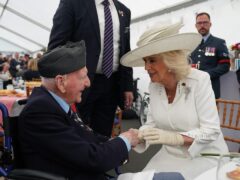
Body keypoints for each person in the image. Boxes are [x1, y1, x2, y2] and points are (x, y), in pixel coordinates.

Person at [18, 41, 184, 180]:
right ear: (61, 82)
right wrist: (125, 140)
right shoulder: (40, 111)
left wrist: (122, 140)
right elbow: (92, 159)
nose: (88, 83)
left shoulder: (53, 103)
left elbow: (87, 138)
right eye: (83, 76)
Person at [120, 22, 229, 180]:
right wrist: (139, 134)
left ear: (170, 59)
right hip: (169, 156)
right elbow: (151, 124)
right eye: (145, 61)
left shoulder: (199, 80)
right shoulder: (154, 86)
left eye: (152, 60)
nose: (146, 67)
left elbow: (211, 131)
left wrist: (176, 138)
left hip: (204, 157)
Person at [48, 0, 134, 137]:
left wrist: (128, 85)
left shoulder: (123, 10)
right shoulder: (72, 3)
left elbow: (125, 50)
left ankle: (98, 157)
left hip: (111, 84)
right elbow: (57, 45)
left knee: (103, 134)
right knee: (74, 132)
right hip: (78, 82)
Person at [190, 12, 230, 99]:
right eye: (199, 23)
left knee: (210, 113)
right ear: (195, 25)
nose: (202, 25)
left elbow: (225, 66)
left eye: (205, 22)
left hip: (210, 89)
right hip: (192, 89)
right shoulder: (191, 44)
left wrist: (206, 75)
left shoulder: (219, 42)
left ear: (210, 24)